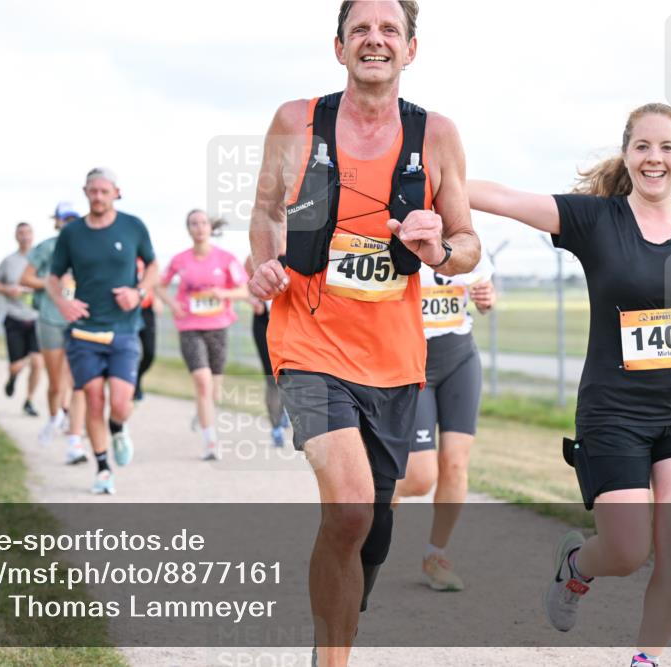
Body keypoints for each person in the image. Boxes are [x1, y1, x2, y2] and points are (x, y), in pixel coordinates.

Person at [247, 2, 480, 664]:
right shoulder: (297, 122)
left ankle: (338, 622)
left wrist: (438, 249)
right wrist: (263, 260)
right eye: (360, 30)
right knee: (349, 510)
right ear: (338, 47)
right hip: (308, 341)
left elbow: (467, 244)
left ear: (410, 50)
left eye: (389, 31)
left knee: (370, 529)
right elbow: (265, 210)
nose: (374, 40)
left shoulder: (435, 135)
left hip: (396, 359)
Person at [469, 102, 671, 667]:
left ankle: (645, 660)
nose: (654, 158)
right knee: (629, 551)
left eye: (666, 147)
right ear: (628, 153)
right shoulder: (596, 220)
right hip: (615, 412)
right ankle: (577, 566)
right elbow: (507, 199)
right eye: (643, 147)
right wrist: (430, 180)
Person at [47, 167, 158, 495]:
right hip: (84, 332)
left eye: (104, 191)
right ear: (85, 192)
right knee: (93, 399)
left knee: (121, 402)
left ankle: (118, 427)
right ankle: (103, 468)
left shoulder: (133, 226)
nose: (98, 197)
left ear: (116, 193)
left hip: (123, 329)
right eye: (92, 191)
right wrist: (62, 304)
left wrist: (137, 292)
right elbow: (54, 277)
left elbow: (153, 266)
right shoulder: (72, 234)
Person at [391, 258, 495, 591]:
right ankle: (366, 504)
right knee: (420, 477)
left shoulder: (467, 237)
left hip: (460, 357)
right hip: (412, 360)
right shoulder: (399, 237)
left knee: (455, 464)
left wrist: (486, 299)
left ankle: (435, 557)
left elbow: (485, 297)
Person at [158, 211, 249, 460]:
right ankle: (210, 442)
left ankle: (203, 410)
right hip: (189, 326)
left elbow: (244, 290)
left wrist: (224, 294)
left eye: (203, 223)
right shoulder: (179, 260)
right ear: (189, 229)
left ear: (210, 228)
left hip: (218, 326)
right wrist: (173, 305)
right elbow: (160, 285)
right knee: (202, 381)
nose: (199, 228)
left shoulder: (226, 259)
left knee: (214, 390)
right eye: (194, 224)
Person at [21, 202, 88, 464]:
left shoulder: (86, 247)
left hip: (78, 320)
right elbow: (25, 278)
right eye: (65, 219)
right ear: (57, 221)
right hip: (50, 318)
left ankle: (73, 434)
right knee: (56, 381)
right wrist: (52, 285)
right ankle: (54, 417)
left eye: (74, 218)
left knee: (76, 379)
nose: (69, 223)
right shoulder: (47, 247)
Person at [0, 223, 42, 417]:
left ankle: (29, 400)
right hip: (14, 317)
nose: (25, 236)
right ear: (16, 236)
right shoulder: (9, 261)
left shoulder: (41, 259)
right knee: (16, 365)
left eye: (28, 232)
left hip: (36, 317)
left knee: (38, 362)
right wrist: (8, 289)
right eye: (21, 233)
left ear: (33, 235)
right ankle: (12, 378)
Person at [245, 255, 291, 447]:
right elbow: (244, 285)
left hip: (293, 322)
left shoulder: (302, 248)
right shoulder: (254, 257)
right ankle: (276, 427)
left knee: (293, 376)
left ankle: (287, 410)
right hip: (265, 322)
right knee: (271, 377)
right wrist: (252, 300)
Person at [134, 257, 157, 402]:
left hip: (146, 310)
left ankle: (135, 378)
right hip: (125, 311)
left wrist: (158, 299)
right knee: (130, 352)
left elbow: (155, 279)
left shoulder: (147, 257)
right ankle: (130, 388)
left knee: (149, 352)